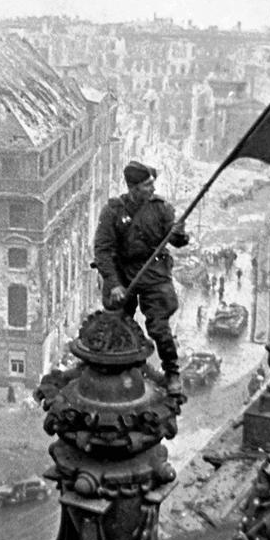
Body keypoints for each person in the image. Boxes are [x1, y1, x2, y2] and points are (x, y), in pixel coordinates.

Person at [92, 160, 190, 394]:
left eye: (152, 184)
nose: (152, 189)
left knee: (159, 327)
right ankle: (128, 369)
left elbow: (177, 241)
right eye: (147, 185)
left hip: (153, 272)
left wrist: (180, 233)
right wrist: (113, 284)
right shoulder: (114, 211)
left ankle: (172, 372)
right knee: (118, 323)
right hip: (122, 273)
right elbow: (103, 250)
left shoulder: (161, 208)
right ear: (133, 188)